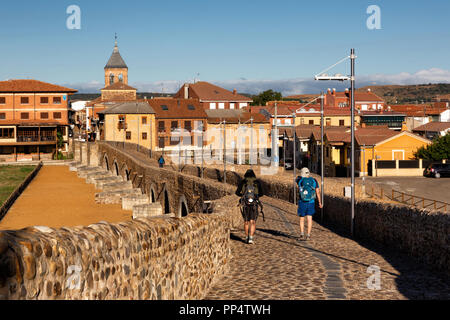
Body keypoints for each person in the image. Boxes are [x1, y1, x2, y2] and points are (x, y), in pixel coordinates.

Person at [235, 169, 264, 244]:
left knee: (246, 221)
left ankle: (246, 237)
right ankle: (251, 238)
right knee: (253, 221)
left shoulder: (243, 182)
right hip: (254, 204)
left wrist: (243, 196)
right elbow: (262, 193)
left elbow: (237, 192)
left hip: (245, 204)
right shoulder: (257, 182)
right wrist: (256, 196)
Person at [295, 167, 322, 241]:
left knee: (302, 219)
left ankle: (302, 234)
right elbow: (317, 192)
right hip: (311, 202)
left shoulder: (300, 180)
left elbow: (296, 179)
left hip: (302, 202)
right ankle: (308, 235)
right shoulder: (314, 181)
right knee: (309, 219)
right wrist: (319, 202)